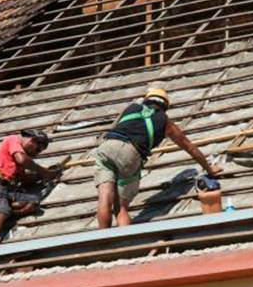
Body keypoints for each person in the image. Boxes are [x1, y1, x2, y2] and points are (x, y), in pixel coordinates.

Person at [94, 88, 222, 228]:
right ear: (165, 106)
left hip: (107, 147)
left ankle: (103, 242)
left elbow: (116, 125)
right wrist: (209, 169)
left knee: (105, 199)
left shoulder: (131, 107)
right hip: (130, 153)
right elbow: (190, 147)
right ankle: (124, 244)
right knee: (121, 208)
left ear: (146, 100)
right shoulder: (165, 121)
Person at [0, 129, 61, 242]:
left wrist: (46, 175)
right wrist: (44, 172)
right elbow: (22, 160)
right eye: (37, 149)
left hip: (8, 190)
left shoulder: (20, 162)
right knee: (2, 208)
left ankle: (0, 215)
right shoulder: (13, 140)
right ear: (32, 140)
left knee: (33, 202)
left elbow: (24, 179)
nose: (36, 154)